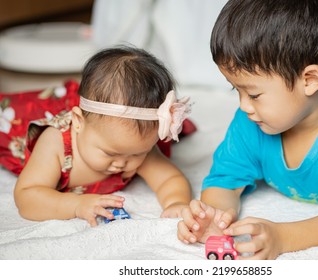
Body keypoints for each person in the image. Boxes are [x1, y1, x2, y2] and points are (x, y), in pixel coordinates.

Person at [177, 0, 318, 259]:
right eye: (237, 90)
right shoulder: (252, 119)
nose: (243, 105)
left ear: (309, 80)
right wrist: (214, 215)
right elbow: (224, 179)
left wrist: (283, 237)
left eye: (254, 94)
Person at [7, 45, 192, 226]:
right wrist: (76, 205)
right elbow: (27, 197)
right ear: (78, 122)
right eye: (110, 153)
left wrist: (176, 202)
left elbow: (170, 179)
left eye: (137, 154)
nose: (121, 163)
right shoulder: (54, 143)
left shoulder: (135, 144)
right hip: (19, 124)